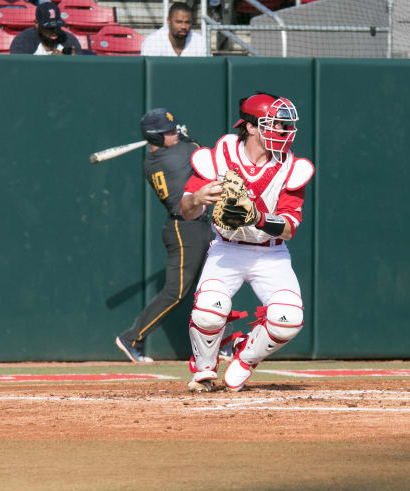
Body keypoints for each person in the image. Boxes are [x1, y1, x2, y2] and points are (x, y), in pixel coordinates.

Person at [180, 92, 314, 392]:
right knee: (208, 310)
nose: (283, 131)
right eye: (275, 124)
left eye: (284, 125)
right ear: (251, 127)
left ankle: (245, 358)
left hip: (271, 253)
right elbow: (186, 210)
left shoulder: (291, 166)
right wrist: (197, 198)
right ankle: (204, 370)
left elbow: (289, 227)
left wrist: (256, 217)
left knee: (288, 318)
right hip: (227, 248)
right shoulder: (221, 154)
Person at [114, 108, 212, 363]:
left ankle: (224, 341)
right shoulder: (177, 155)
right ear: (155, 137)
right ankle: (132, 337)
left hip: (193, 225)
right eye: (168, 132)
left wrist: (180, 136)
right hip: (185, 229)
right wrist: (189, 139)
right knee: (176, 291)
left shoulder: (154, 160)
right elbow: (201, 152)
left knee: (213, 284)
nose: (174, 133)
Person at [9, 2, 82, 55]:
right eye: (49, 27)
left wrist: (72, 61)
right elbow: (20, 69)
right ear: (37, 24)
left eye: (56, 26)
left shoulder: (69, 40)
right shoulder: (24, 40)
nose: (54, 30)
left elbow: (79, 69)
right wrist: (48, 62)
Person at [140, 2, 208, 57]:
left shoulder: (200, 42)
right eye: (179, 22)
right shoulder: (153, 41)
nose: (183, 27)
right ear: (168, 21)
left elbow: (208, 69)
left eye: (187, 22)